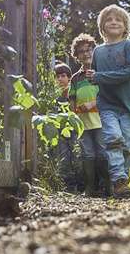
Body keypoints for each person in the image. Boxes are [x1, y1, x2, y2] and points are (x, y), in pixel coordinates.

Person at [86, 4, 130, 196]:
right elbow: (93, 76)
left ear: (125, 27)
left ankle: (125, 176)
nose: (114, 22)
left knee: (127, 145)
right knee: (113, 139)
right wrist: (93, 76)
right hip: (107, 104)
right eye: (109, 19)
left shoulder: (129, 46)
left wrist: (100, 76)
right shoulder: (98, 52)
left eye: (118, 20)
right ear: (102, 26)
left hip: (127, 105)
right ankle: (119, 180)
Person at [69, 34, 114, 197]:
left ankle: (109, 186)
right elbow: (72, 99)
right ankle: (89, 188)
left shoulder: (101, 73)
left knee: (103, 152)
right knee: (87, 154)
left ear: (95, 51)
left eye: (89, 50)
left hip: (100, 121)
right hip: (83, 124)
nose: (86, 53)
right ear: (76, 56)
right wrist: (73, 115)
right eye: (81, 51)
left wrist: (91, 104)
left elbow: (107, 94)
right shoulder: (75, 78)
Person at [53, 61, 84, 193]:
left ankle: (82, 186)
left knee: (76, 157)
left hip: (74, 129)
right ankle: (68, 188)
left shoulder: (73, 90)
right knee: (63, 158)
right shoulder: (54, 95)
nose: (60, 79)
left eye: (63, 76)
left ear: (69, 77)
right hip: (60, 131)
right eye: (57, 77)